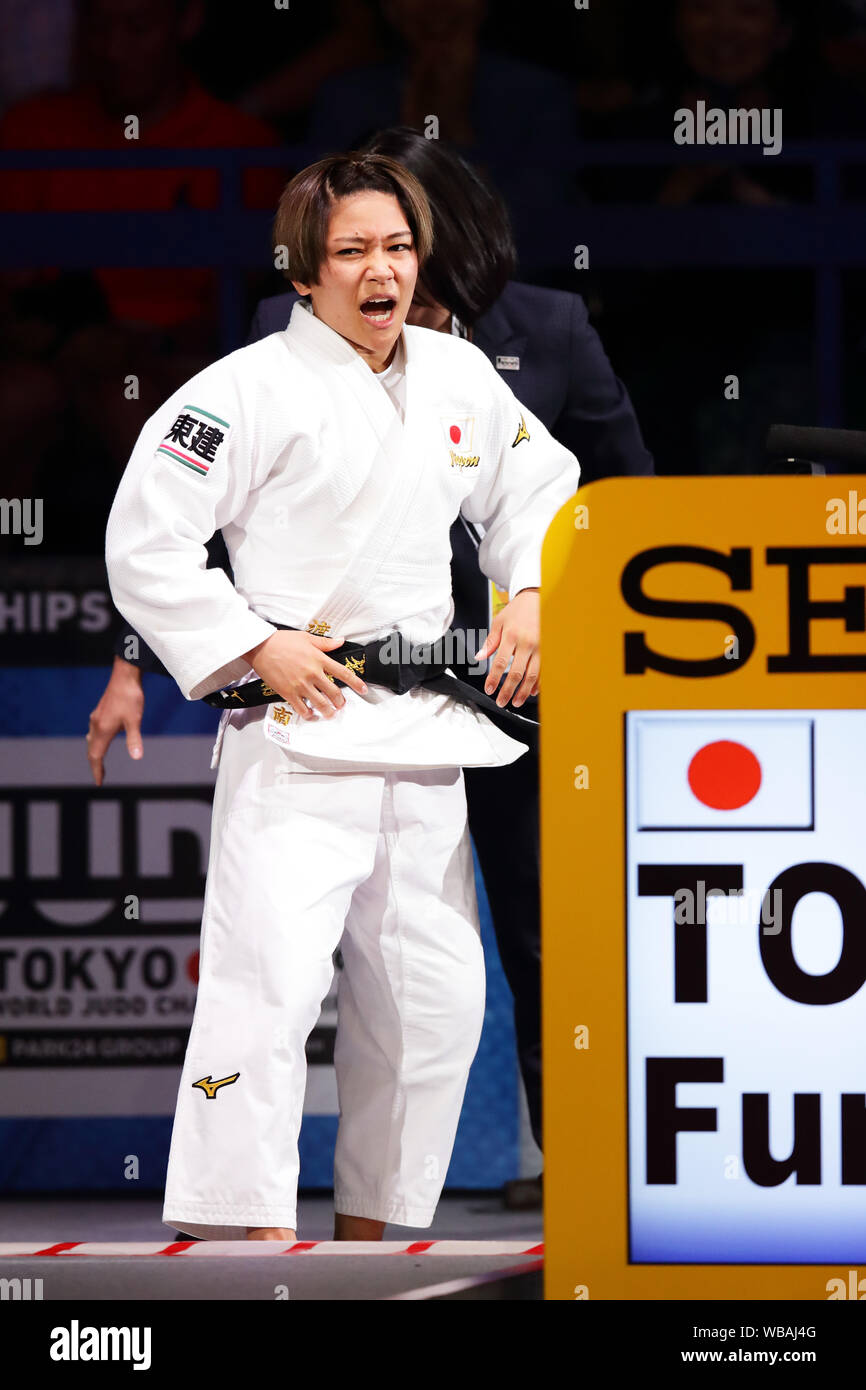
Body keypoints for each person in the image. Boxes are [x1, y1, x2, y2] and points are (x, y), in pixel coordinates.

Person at [91, 129, 652, 1206]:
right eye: (351, 252)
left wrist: (527, 592)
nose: (380, 271)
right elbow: (145, 539)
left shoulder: (458, 376)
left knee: (434, 1007)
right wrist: (253, 642)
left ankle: (380, 1222)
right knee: (267, 997)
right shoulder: (238, 390)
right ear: (304, 271)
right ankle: (241, 1224)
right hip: (297, 734)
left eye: (396, 247)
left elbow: (543, 486)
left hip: (425, 736)